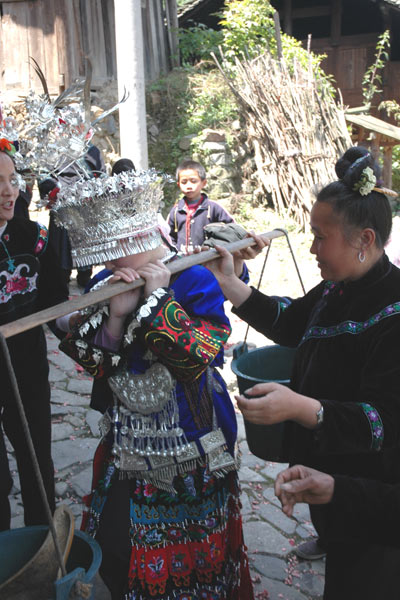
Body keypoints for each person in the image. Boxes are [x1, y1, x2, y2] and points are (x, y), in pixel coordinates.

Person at [206, 146, 400, 599]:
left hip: (377, 502)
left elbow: (384, 424)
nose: (311, 248)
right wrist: (232, 283)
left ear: (363, 240)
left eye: (320, 237)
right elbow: (294, 322)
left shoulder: (393, 311)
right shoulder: (340, 285)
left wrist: (300, 407)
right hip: (337, 488)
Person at [55, 169, 254, 599]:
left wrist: (157, 299)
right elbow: (96, 363)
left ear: (138, 242)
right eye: (104, 259)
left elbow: (198, 357)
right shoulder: (107, 285)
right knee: (118, 544)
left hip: (191, 439)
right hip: (128, 439)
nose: (108, 267)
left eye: (114, 256)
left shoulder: (195, 278)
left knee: (197, 549)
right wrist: (115, 315)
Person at [0, 142, 69, 531]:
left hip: (26, 366)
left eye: (12, 180)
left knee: (36, 458)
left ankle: (42, 549)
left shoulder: (32, 236)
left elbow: (57, 303)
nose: (9, 191)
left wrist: (81, 320)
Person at [38, 144, 106, 287]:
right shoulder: (54, 148)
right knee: (60, 251)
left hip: (85, 202)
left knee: (86, 249)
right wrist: (55, 190)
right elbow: (43, 174)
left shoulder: (92, 150)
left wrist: (94, 190)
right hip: (62, 201)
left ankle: (85, 275)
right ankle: (62, 277)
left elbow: (101, 174)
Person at [168, 159, 236, 254]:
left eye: (193, 181)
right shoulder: (176, 211)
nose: (188, 186)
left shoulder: (213, 208)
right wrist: (175, 253)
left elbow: (232, 229)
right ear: (179, 185)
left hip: (208, 258)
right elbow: (169, 236)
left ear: (203, 183)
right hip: (182, 260)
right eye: (184, 182)